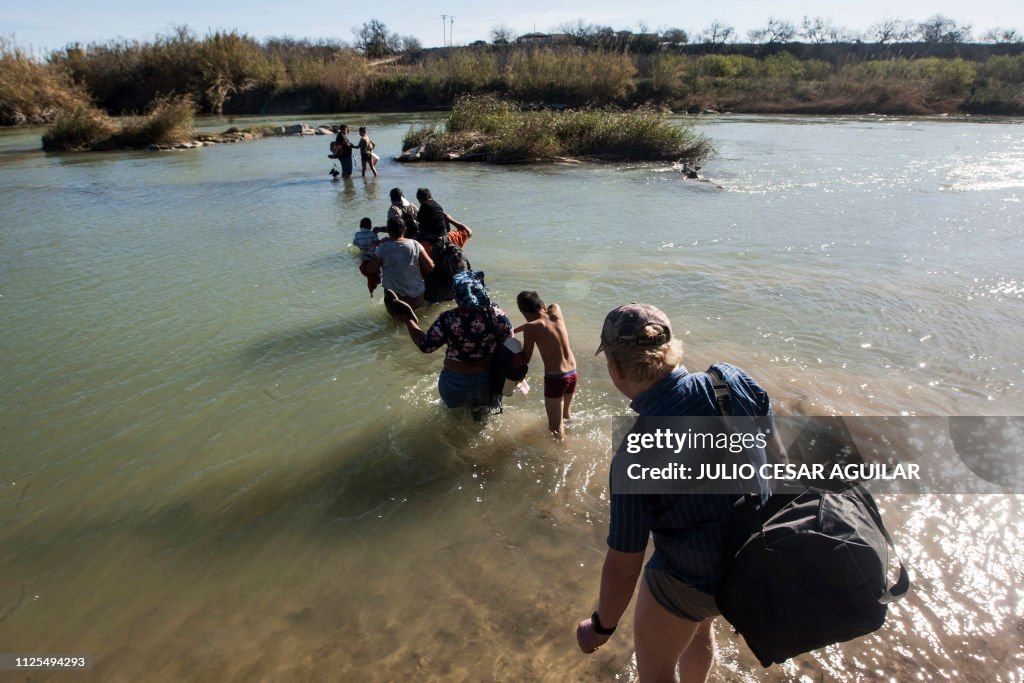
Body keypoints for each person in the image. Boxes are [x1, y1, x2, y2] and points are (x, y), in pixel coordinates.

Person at [576, 303, 787, 683]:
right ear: (672, 349)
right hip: (749, 557)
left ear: (617, 369)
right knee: (700, 627)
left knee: (656, 672)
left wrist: (601, 626)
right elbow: (778, 463)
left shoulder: (636, 450)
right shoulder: (730, 380)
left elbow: (625, 565)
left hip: (692, 576)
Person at [392, 270, 512, 415]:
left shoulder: (449, 318)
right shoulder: (496, 313)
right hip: (487, 379)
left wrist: (409, 321)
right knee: (483, 419)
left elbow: (426, 346)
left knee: (454, 419)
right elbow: (510, 341)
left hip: (455, 380)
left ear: (457, 295)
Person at [515, 291, 577, 439]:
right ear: (542, 304)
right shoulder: (556, 310)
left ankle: (563, 456)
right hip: (572, 373)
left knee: (555, 427)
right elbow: (542, 318)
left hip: (556, 379)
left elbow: (526, 358)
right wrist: (515, 330)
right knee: (566, 416)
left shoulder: (531, 328)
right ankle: (572, 437)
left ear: (524, 313)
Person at [363, 218, 434, 311]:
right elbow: (430, 266)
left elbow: (370, 269)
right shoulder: (415, 245)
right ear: (404, 229)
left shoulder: (383, 248)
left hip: (395, 299)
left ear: (389, 232)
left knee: (396, 323)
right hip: (416, 296)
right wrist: (421, 274)